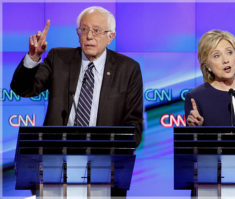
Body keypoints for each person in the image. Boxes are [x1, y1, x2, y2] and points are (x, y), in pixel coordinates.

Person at [11, 6, 143, 196]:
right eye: (84, 29)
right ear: (78, 33)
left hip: (102, 169)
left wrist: (109, 157)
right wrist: (33, 57)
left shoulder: (128, 69)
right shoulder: (59, 59)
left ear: (110, 36)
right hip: (55, 165)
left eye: (96, 31)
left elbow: (134, 126)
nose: (89, 36)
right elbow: (23, 89)